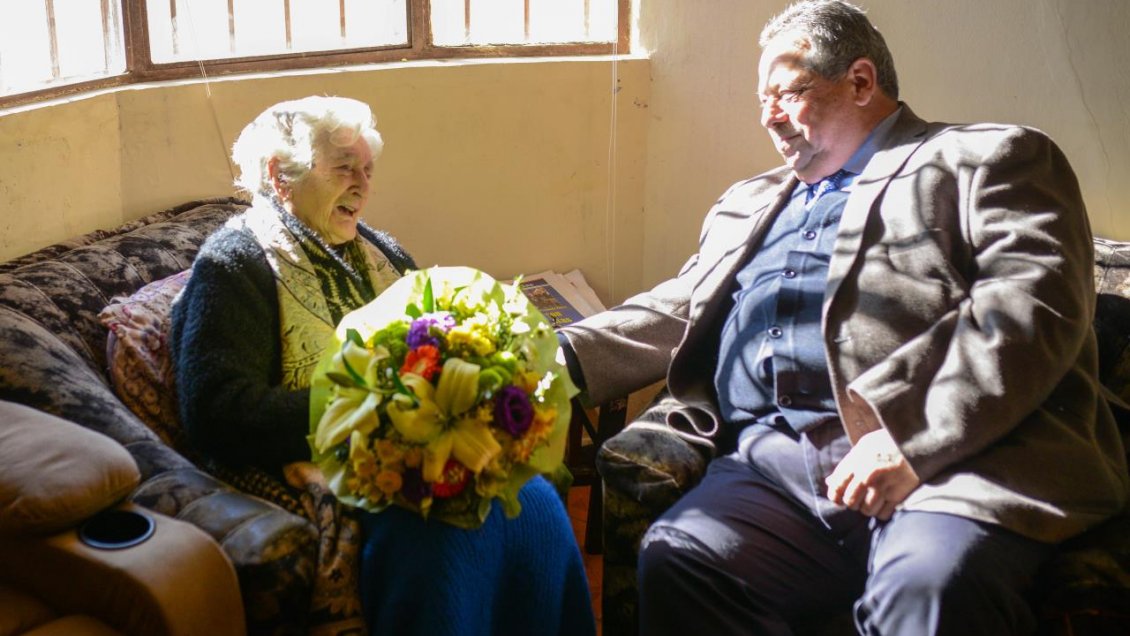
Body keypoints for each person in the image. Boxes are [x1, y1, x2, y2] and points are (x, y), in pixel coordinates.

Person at [557, 2, 1129, 634]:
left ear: (860, 81)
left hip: (957, 461)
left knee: (930, 589)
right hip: (773, 462)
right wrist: (549, 358)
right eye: (761, 100)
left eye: (788, 92)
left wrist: (910, 434)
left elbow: (1028, 307)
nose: (769, 116)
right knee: (683, 559)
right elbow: (677, 308)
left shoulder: (988, 160)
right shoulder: (747, 203)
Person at [171, 96, 596, 636]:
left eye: (367, 170)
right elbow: (214, 409)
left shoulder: (381, 250)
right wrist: (372, 413)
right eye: (344, 167)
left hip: (418, 451)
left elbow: (436, 337)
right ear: (281, 176)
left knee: (532, 501)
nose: (363, 185)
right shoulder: (233, 265)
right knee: (442, 540)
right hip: (331, 464)